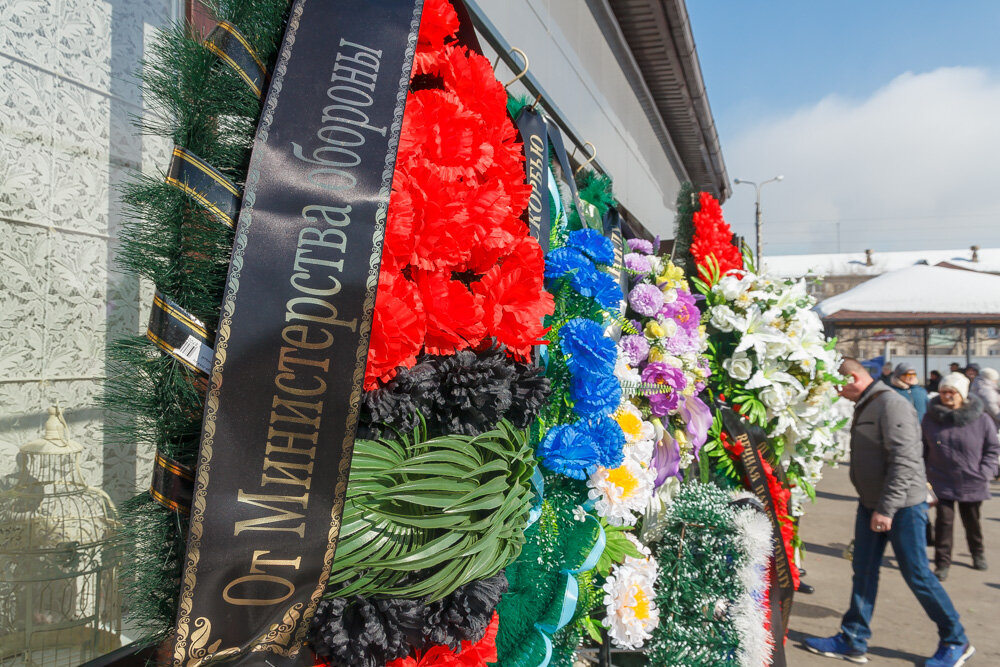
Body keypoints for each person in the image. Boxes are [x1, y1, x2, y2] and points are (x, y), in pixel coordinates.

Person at [804, 358, 973, 667]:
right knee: (864, 570)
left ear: (853, 378)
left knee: (918, 574)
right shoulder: (869, 402)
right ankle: (852, 638)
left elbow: (907, 461)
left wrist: (886, 508)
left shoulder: (890, 404)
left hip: (901, 507)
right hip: (873, 503)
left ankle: (956, 639)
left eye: (838, 386)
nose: (837, 393)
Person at [922, 372, 1000, 581]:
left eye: (952, 392)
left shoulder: (982, 419)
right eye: (944, 391)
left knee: (972, 521)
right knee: (944, 523)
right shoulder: (931, 418)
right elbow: (922, 447)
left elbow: (993, 449)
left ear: (962, 395)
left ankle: (977, 553)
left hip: (972, 480)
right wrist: (923, 475)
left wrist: (985, 472)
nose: (947, 396)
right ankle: (942, 562)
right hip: (941, 480)